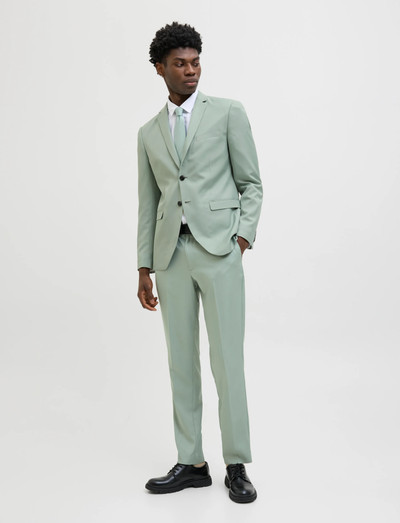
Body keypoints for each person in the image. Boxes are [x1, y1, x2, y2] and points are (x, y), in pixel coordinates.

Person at [136, 21, 263, 504]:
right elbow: (148, 203)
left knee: (227, 361)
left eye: (195, 62)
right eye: (179, 64)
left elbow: (251, 183)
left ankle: (236, 464)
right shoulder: (148, 133)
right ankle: (191, 462)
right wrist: (144, 267)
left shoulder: (228, 112)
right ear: (160, 69)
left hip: (219, 252)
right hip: (170, 256)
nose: (190, 71)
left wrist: (241, 238)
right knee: (180, 362)